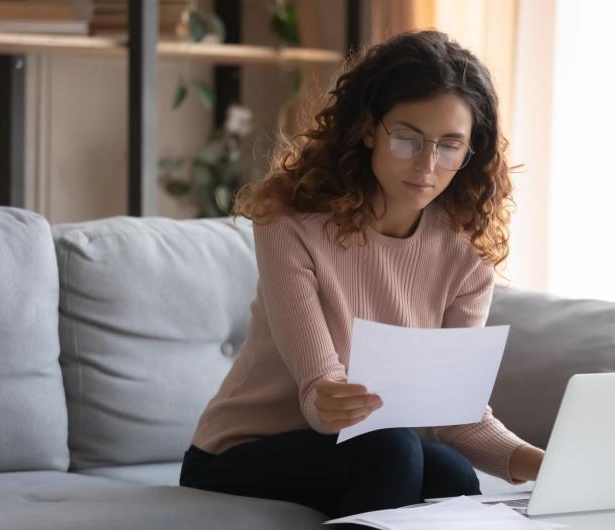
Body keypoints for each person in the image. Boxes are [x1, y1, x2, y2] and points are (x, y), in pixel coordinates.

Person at [179, 29, 545, 521]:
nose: (427, 165)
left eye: (450, 146)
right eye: (407, 138)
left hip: (364, 451)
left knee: (452, 473)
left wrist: (546, 464)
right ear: (370, 128)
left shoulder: (466, 254)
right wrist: (331, 398)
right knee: (392, 448)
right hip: (238, 453)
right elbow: (318, 389)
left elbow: (458, 414)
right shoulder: (291, 225)